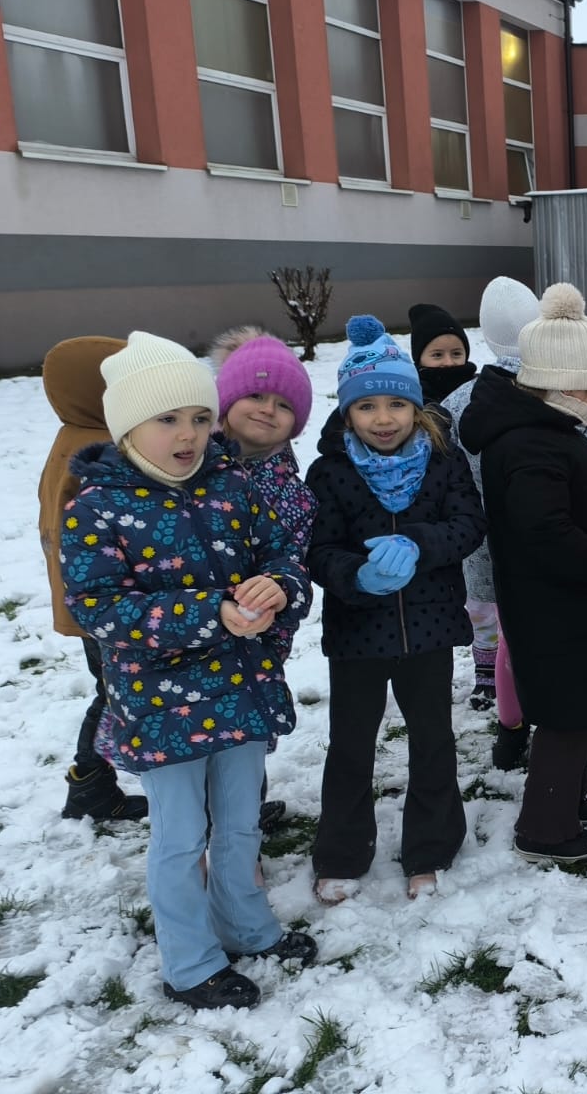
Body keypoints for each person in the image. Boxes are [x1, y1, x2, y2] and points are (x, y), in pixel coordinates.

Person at [59, 332, 314, 1009]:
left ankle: (247, 926)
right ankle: (190, 962)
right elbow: (100, 607)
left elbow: (284, 554)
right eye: (168, 418)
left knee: (239, 824)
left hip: (240, 692)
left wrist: (280, 587)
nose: (189, 434)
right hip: (161, 707)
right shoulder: (97, 506)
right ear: (127, 428)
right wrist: (211, 612)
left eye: (200, 417)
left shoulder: (232, 486)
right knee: (180, 838)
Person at [459, 284, 587, 861]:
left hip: (565, 604)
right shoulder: (530, 443)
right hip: (558, 607)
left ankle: (568, 800)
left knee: (579, 711)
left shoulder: (540, 428)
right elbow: (546, 533)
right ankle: (546, 827)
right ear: (562, 383)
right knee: (568, 719)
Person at [305, 316, 484, 904]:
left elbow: (467, 525)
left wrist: (420, 544)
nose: (384, 419)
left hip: (427, 626)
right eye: (367, 407)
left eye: (396, 405)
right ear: (348, 412)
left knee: (432, 737)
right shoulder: (330, 472)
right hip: (358, 629)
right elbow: (318, 549)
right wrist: (354, 575)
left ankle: (429, 848)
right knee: (351, 742)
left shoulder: (442, 461)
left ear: (415, 408)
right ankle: (340, 852)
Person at [211, 328, 318, 831]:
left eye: (282, 403)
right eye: (254, 394)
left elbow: (293, 566)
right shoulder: (188, 468)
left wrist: (278, 600)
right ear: (226, 401)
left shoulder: (291, 489)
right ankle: (204, 820)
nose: (266, 409)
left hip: (257, 633)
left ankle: (243, 813)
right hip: (190, 625)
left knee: (246, 725)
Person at [41, 336, 149, 823]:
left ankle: (93, 783)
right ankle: (91, 783)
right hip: (105, 610)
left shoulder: (73, 436)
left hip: (90, 607)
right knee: (115, 694)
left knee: (111, 692)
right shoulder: (93, 450)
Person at [440, 277, 540, 714]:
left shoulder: (459, 401)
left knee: (483, 607)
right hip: (528, 527)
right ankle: (500, 679)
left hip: (476, 528)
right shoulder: (555, 392)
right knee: (513, 613)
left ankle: (490, 676)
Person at [407, 302, 476, 406]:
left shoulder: (479, 388)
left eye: (456, 353)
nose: (449, 362)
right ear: (419, 358)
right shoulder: (412, 395)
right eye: (437, 355)